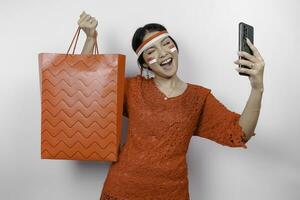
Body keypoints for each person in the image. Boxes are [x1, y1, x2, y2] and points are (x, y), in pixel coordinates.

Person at [78, 11, 264, 200]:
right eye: (151, 51)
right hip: (122, 188)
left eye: (166, 44)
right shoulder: (132, 88)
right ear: (145, 64)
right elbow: (88, 90)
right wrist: (90, 39)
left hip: (172, 193)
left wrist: (257, 88)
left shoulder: (198, 98)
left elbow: (240, 133)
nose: (163, 53)